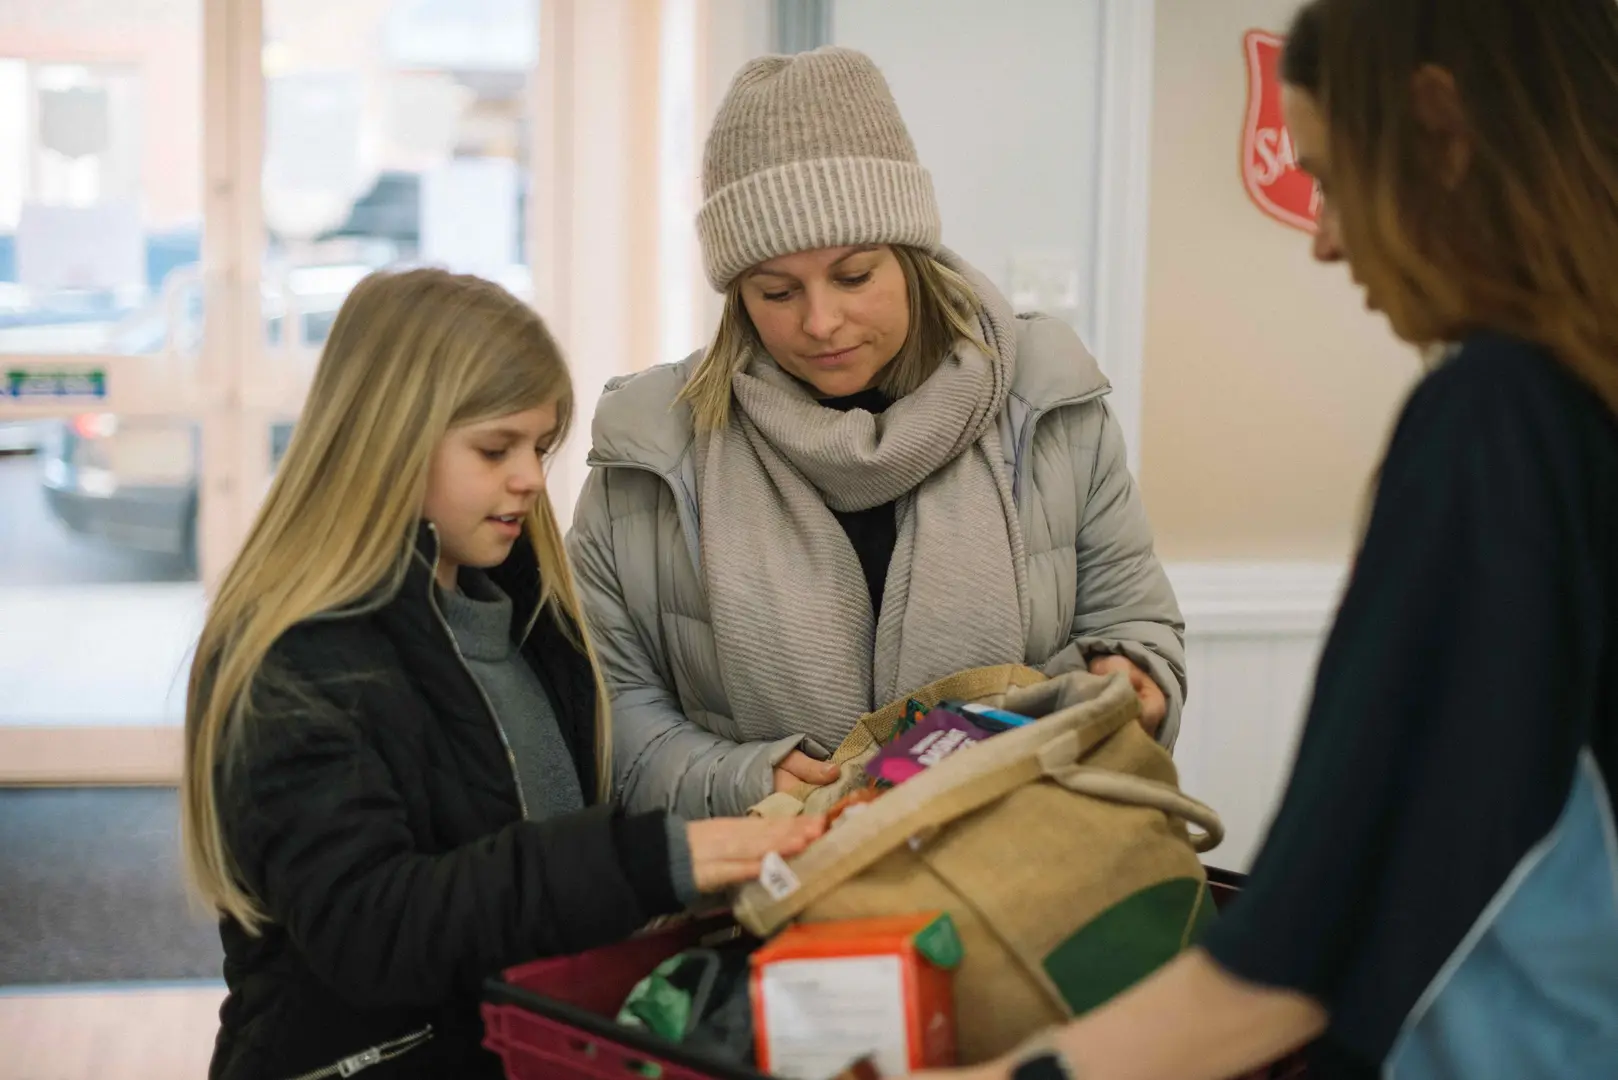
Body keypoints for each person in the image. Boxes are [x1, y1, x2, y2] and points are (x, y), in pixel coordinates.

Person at [912, 1, 1618, 1078]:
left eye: (1329, 178)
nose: (1325, 237)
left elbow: (1308, 949)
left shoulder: (1498, 418)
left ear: (1441, 130)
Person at [178, 268, 825, 1080]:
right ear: (389, 437)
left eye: (540, 447)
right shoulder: (295, 658)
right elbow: (375, 930)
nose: (529, 477)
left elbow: (522, 879)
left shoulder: (525, 619)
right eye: (495, 448)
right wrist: (644, 861)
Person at [568, 46, 1186, 820]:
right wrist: (748, 779)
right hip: (757, 903)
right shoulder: (651, 452)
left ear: (911, 255)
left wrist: (1135, 680)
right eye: (776, 291)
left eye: (854, 276)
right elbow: (607, 712)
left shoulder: (1047, 400)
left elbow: (1137, 628)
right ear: (736, 295)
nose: (820, 321)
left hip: (1019, 882)